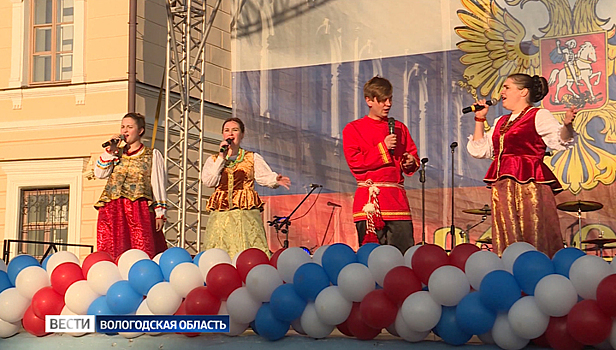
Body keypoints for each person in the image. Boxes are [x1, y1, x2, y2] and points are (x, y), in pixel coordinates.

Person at [467, 73, 577, 258]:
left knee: (531, 229)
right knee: (507, 232)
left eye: (507, 87)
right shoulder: (500, 121)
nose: (502, 91)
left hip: (529, 183)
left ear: (523, 92)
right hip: (503, 185)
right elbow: (480, 150)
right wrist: (479, 119)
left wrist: (567, 125)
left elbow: (560, 139)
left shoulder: (538, 115)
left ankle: (537, 269)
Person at [342, 76, 420, 253]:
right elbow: (355, 162)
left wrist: (409, 161)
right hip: (370, 201)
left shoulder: (399, 128)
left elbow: (413, 158)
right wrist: (383, 147)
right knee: (372, 256)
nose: (388, 104)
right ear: (369, 100)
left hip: (396, 201)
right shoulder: (353, 129)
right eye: (382, 100)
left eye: (390, 99)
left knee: (403, 255)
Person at [201, 117, 291, 258]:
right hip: (221, 215)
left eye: (235, 130)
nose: (230, 134)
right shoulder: (213, 160)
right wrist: (221, 157)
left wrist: (275, 179)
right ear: (223, 135)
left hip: (245, 214)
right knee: (219, 251)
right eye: (227, 131)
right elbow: (209, 181)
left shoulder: (251, 157)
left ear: (242, 135)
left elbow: (264, 176)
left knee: (247, 249)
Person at [94, 112, 168, 260]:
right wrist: (110, 151)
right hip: (113, 208)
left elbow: (158, 183)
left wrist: (160, 213)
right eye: (122, 127)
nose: (125, 131)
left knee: (141, 247)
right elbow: (100, 173)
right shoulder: (116, 153)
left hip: (137, 208)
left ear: (140, 131)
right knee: (112, 248)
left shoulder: (151, 154)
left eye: (129, 127)